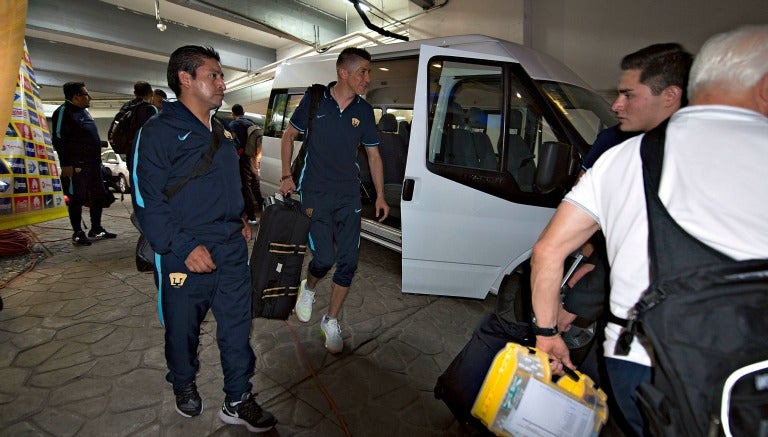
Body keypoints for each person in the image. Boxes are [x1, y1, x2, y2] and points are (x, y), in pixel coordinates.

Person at [530, 25, 768, 437]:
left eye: (628, 94)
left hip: (637, 361)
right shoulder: (615, 146)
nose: (617, 105)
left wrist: (546, 332)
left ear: (677, 92)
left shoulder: (623, 158)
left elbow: (548, 251)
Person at [133, 45, 276, 432]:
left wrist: (241, 217)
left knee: (236, 325)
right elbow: (147, 202)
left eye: (220, 75)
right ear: (185, 78)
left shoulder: (220, 129)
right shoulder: (158, 131)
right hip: (183, 253)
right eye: (213, 74)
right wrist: (182, 247)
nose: (222, 82)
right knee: (182, 328)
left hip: (229, 246)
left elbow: (230, 183)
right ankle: (183, 382)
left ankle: (237, 398)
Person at [279, 47, 389, 354]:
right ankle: (309, 287)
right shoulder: (315, 102)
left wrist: (380, 195)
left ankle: (331, 319)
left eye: (369, 72)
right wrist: (286, 175)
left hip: (348, 195)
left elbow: (373, 154)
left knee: (349, 262)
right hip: (314, 192)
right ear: (344, 73)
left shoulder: (364, 113)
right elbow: (289, 136)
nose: (368, 78)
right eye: (363, 72)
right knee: (324, 258)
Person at [51, 81, 117, 246]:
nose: (89, 97)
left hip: (93, 164)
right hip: (77, 165)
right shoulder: (63, 112)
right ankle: (77, 232)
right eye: (86, 94)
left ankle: (96, 228)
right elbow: (58, 138)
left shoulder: (84, 113)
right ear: (76, 97)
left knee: (98, 195)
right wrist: (66, 164)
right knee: (77, 198)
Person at [228, 103, 264, 224]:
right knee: (255, 184)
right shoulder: (251, 122)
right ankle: (264, 209)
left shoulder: (234, 124)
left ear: (233, 114)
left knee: (246, 187)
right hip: (253, 157)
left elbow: (232, 142)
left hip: (243, 158)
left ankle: (252, 217)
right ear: (243, 112)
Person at [119, 81, 158, 173]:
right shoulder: (150, 109)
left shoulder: (126, 107)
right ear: (151, 93)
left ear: (134, 93)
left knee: (134, 181)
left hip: (130, 153)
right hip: (146, 155)